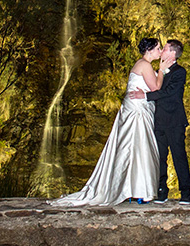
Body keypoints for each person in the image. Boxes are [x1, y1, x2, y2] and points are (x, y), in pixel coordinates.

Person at [52, 38, 162, 206]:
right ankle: (139, 190)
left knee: (134, 147)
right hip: (137, 111)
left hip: (137, 108)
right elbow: (155, 88)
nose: (160, 51)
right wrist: (162, 69)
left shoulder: (141, 64)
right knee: (138, 146)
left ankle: (135, 189)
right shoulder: (145, 65)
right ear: (149, 50)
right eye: (158, 48)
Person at [131, 38, 190, 204]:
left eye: (164, 48)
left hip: (175, 120)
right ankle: (161, 191)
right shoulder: (160, 71)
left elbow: (170, 92)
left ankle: (185, 192)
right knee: (159, 157)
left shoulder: (180, 72)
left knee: (179, 156)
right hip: (158, 120)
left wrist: (145, 96)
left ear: (172, 53)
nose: (162, 51)